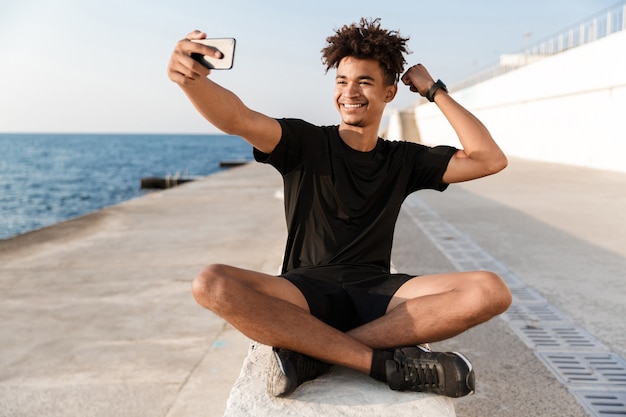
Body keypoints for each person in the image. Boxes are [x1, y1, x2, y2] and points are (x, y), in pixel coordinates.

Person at [167, 18, 512, 399]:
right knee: (211, 283)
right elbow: (238, 118)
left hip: (380, 293)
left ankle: (316, 354)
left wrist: (434, 91)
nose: (350, 92)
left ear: (389, 93)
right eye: (342, 81)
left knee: (490, 291)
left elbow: (488, 159)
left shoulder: (403, 158)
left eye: (364, 81)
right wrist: (192, 82)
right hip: (303, 291)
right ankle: (379, 365)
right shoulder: (304, 141)